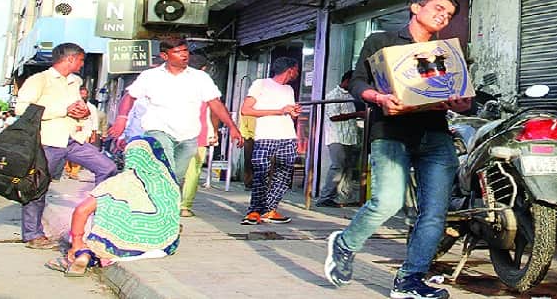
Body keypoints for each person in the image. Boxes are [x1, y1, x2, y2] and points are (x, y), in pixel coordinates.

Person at [324, 0, 472, 299]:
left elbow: (462, 99)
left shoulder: (444, 53)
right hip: (390, 132)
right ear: (416, 8)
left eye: (449, 14)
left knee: (434, 212)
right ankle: (345, 243)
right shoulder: (382, 41)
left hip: (435, 135)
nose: (443, 16)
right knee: (388, 201)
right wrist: (378, 98)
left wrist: (461, 103)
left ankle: (410, 280)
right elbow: (357, 82)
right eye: (438, 9)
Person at [15, 42, 117, 250]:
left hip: (73, 140)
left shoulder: (75, 81)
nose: (82, 64)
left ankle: (101, 222)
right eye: (80, 60)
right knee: (37, 187)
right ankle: (33, 234)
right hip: (48, 141)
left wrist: (84, 115)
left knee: (108, 168)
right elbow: (21, 109)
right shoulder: (39, 80)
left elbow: (77, 109)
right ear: (70, 59)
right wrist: (63, 110)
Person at [107, 37, 244, 186]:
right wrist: (121, 119)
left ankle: (166, 205)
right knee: (166, 169)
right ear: (165, 56)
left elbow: (215, 103)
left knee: (176, 178)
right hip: (159, 130)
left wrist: (232, 127)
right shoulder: (151, 76)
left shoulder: (200, 77)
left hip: (188, 135)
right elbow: (129, 97)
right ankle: (155, 202)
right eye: (178, 52)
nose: (184, 55)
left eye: (185, 51)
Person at [45, 136, 181, 276]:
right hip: (161, 246)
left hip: (116, 245)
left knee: (93, 241)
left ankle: (83, 255)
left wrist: (76, 243)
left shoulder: (117, 183)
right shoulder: (169, 185)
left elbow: (81, 211)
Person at [238, 57, 302, 225]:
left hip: (288, 135)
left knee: (284, 174)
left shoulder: (289, 89)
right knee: (261, 173)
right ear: (290, 70)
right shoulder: (261, 84)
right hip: (266, 135)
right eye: (296, 69)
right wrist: (279, 111)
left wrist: (292, 111)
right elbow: (246, 110)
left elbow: (288, 111)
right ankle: (254, 211)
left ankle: (269, 209)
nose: (297, 73)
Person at [315, 70, 365, 208]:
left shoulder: (352, 95)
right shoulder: (333, 95)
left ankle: (342, 195)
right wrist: (356, 114)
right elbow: (334, 116)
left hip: (350, 136)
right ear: (347, 81)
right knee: (337, 166)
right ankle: (325, 197)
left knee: (347, 167)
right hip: (336, 136)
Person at [180, 53, 218, 217]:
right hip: (198, 134)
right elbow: (215, 111)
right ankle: (184, 206)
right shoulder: (205, 85)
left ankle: (166, 203)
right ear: (203, 69)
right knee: (193, 171)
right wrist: (214, 131)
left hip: (172, 133)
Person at [64, 86, 102, 180]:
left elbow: (94, 121)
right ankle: (68, 169)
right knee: (68, 150)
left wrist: (94, 134)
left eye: (85, 94)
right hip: (72, 131)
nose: (83, 96)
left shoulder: (91, 107)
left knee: (79, 151)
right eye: (81, 94)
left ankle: (74, 172)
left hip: (85, 132)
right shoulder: (71, 105)